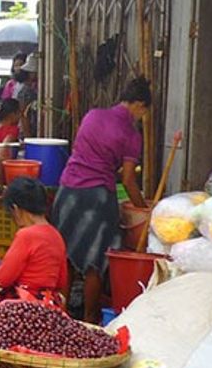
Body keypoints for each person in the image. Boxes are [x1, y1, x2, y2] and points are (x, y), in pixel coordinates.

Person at [52, 77, 151, 323]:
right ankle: (90, 320)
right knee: (94, 262)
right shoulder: (131, 134)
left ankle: (59, 316)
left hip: (67, 190)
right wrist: (145, 209)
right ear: (138, 104)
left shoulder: (93, 115)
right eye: (144, 111)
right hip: (96, 197)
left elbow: (86, 151)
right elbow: (128, 180)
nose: (142, 117)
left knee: (67, 255)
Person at [0, 177, 68, 306]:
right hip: (49, 303)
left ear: (16, 209)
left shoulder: (26, 235)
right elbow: (61, 281)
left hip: (25, 304)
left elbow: (4, 278)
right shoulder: (56, 236)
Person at [17, 53, 40, 137]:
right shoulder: (26, 91)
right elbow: (23, 114)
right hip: (28, 130)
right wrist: (27, 134)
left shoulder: (32, 88)